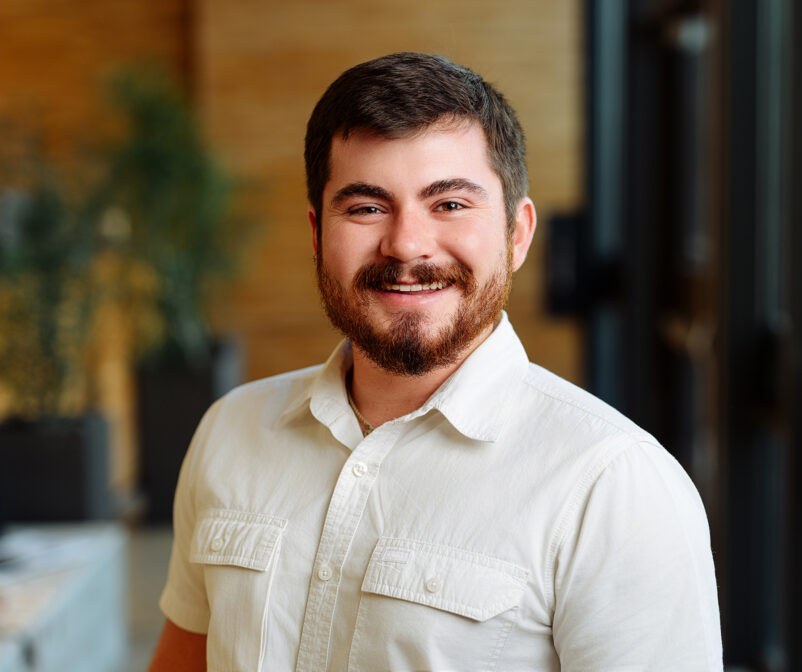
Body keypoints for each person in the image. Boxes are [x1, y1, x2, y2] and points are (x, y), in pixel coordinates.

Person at [148, 52, 723, 671]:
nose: (407, 245)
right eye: (367, 207)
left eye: (449, 204)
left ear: (517, 234)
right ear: (317, 235)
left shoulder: (614, 486)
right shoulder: (229, 431)